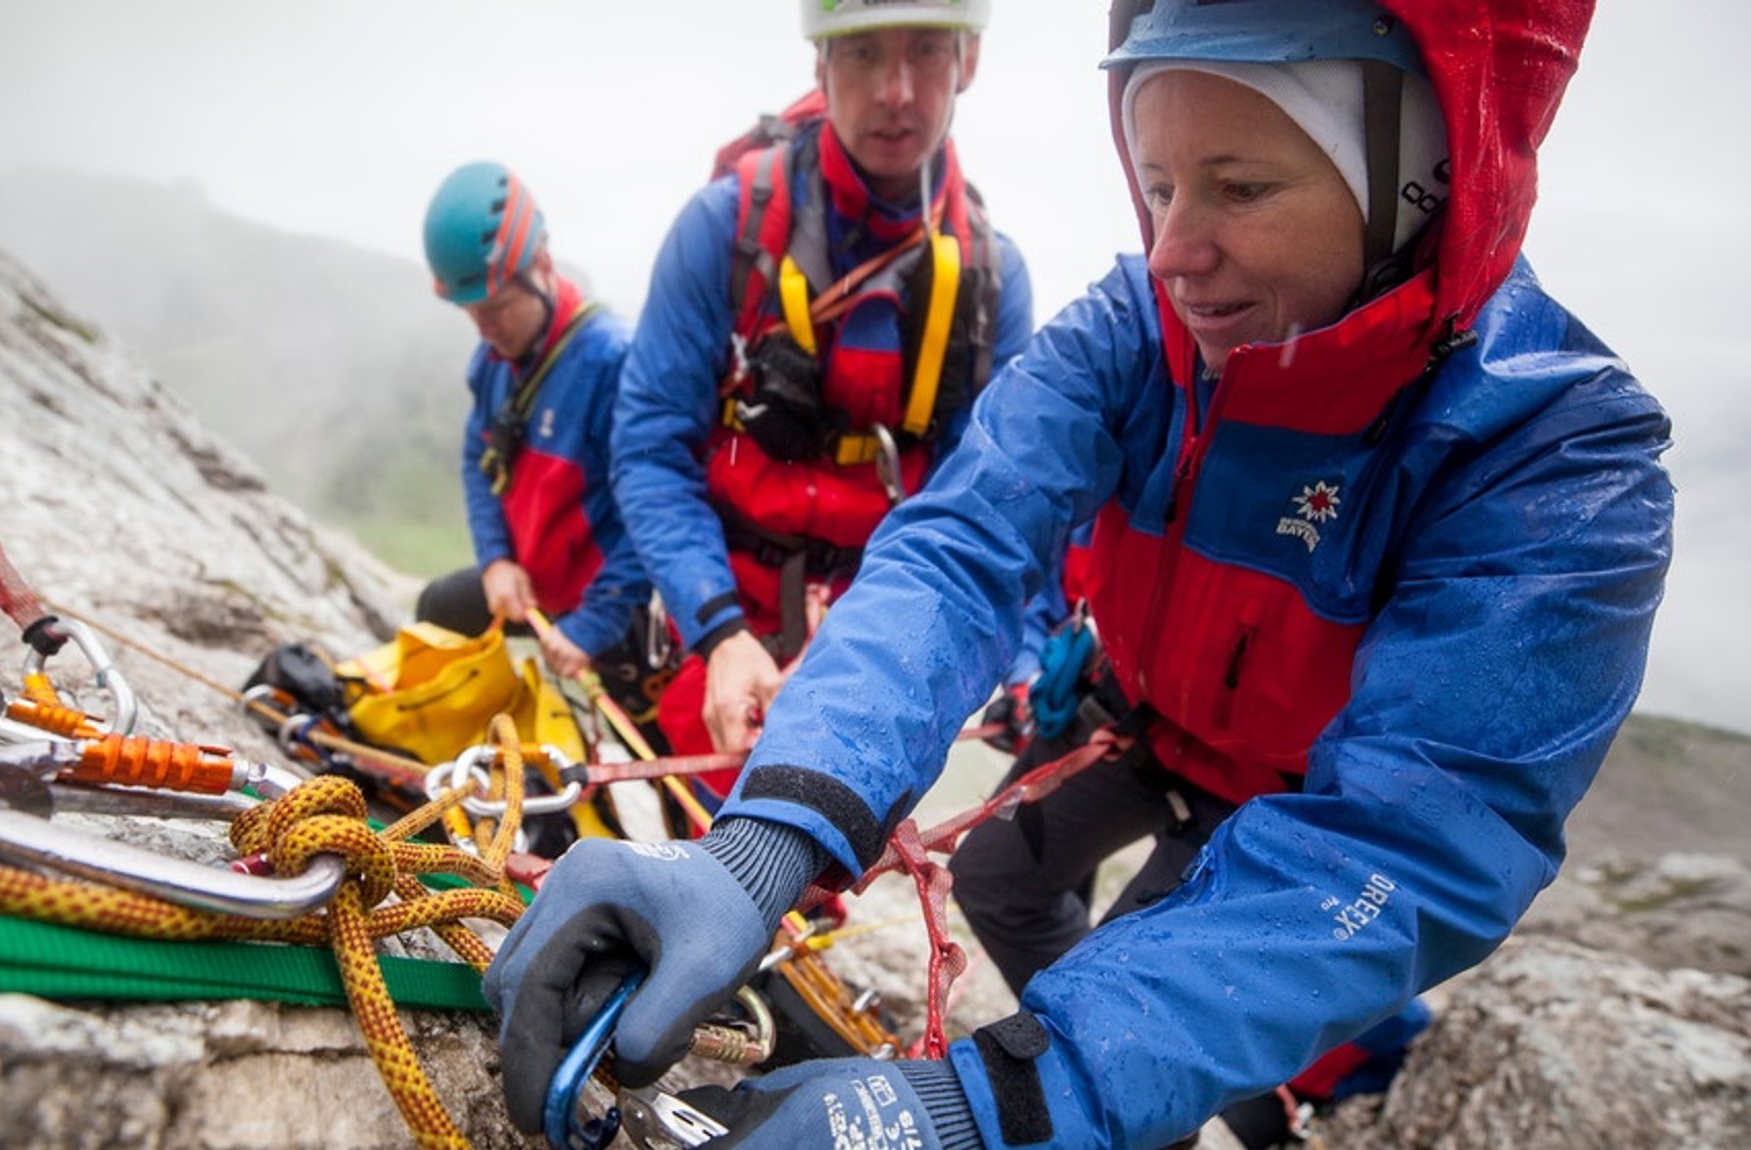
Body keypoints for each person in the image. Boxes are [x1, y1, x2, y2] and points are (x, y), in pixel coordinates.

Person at [485, 0, 1675, 1147]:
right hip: (1142, 719)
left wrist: (1001, 1103)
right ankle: (1127, 1079)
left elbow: (1405, 840)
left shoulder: (1559, 464)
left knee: (1149, 985)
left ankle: (1154, 1089)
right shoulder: (1135, 331)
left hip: (1288, 798)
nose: (1170, 249)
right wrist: (758, 845)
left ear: (1415, 181)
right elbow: (960, 552)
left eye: (1239, 187)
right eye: (1155, 184)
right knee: (1009, 883)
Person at [610, 0, 1034, 790]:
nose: (896, 90)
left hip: (872, 621)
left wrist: (889, 644)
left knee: (813, 864)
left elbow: (985, 506)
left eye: (928, 51)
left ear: (967, 62)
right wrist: (718, 630)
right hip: (720, 609)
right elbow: (650, 447)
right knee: (699, 847)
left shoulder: (990, 281)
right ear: (821, 67)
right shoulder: (724, 228)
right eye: (863, 52)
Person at [413, 161, 665, 724]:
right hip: (532, 591)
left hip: (610, 613)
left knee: (660, 770)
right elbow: (479, 464)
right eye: (471, 313)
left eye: (497, 308)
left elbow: (650, 513)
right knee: (438, 611)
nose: (484, 329)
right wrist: (497, 561)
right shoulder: (494, 363)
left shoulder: (612, 362)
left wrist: (592, 627)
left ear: (543, 266)